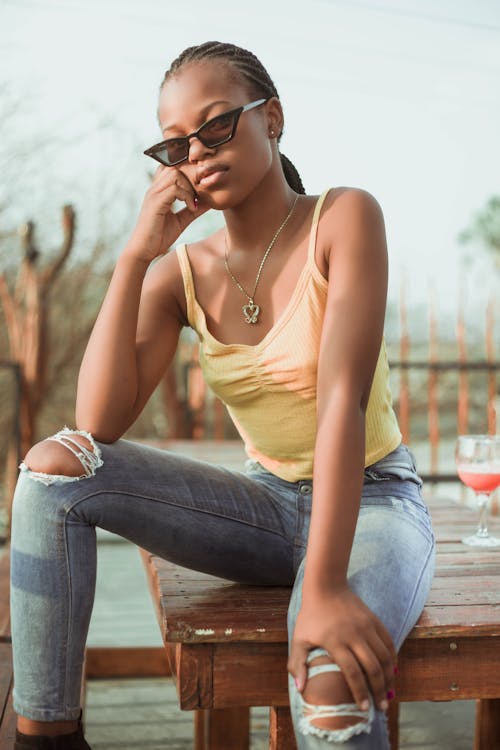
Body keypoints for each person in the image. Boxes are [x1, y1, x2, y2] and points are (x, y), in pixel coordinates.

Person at [10, 41, 435, 750]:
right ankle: (45, 737)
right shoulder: (181, 272)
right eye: (176, 146)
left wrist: (326, 585)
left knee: (330, 684)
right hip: (264, 508)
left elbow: (340, 402)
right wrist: (134, 256)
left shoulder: (344, 218)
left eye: (216, 126)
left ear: (271, 119)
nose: (198, 153)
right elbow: (98, 420)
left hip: (374, 504)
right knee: (55, 469)